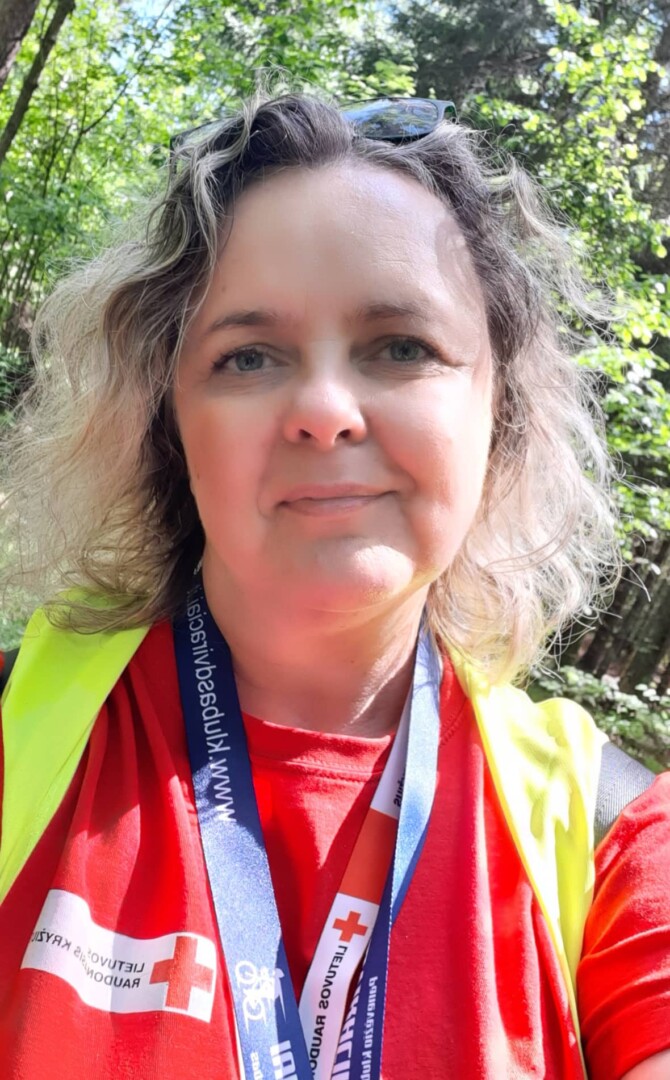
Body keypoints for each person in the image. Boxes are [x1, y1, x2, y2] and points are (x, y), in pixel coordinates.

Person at [0, 87, 668, 1080]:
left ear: (501, 411)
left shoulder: (619, 841)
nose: (322, 409)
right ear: (167, 423)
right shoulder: (16, 739)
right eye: (248, 357)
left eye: (401, 348)